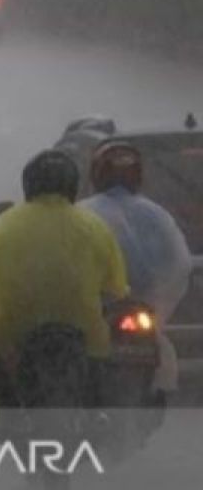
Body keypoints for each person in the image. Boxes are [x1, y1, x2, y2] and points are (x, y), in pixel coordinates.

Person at [0, 149, 129, 434]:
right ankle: (98, 412)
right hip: (84, 328)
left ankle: (5, 415)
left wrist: (6, 345)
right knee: (102, 358)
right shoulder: (95, 227)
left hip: (20, 329)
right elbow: (116, 286)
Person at [78, 141, 193, 395]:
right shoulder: (157, 215)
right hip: (141, 310)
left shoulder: (82, 214)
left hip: (99, 310)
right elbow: (179, 266)